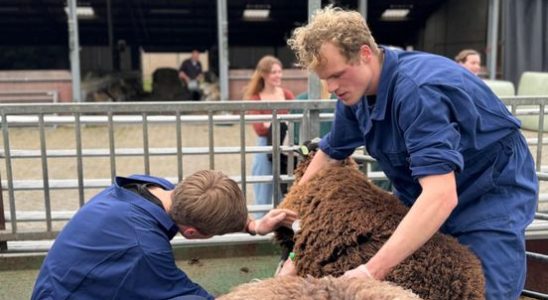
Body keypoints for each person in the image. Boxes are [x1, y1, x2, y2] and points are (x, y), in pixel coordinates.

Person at [284, 6, 538, 300]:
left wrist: (371, 271)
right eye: (325, 78)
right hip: (423, 193)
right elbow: (330, 153)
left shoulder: (417, 91)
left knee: (482, 290)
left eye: (338, 74)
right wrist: (291, 218)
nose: (332, 87)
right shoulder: (355, 95)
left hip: (487, 194)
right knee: (415, 282)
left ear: (365, 53)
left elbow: (441, 195)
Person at [31, 170, 297, 300]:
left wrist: (252, 225)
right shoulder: (145, 251)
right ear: (192, 233)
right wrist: (275, 286)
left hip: (72, 278)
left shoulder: (154, 187)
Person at [244, 55, 295, 213]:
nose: (278, 75)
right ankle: (261, 225)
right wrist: (281, 122)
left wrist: (272, 123)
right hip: (264, 146)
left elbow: (296, 118)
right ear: (264, 74)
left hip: (284, 145)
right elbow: (260, 129)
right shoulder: (255, 98)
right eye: (274, 72)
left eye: (280, 71)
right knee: (263, 189)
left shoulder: (286, 95)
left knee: (284, 189)